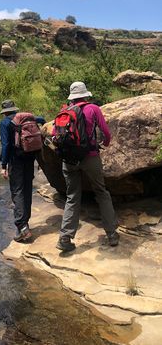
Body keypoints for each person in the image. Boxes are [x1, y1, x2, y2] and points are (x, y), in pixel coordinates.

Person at [56, 81, 119, 252]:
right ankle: (112, 234)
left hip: (69, 160)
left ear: (72, 97)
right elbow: (106, 132)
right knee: (101, 192)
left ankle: (65, 238)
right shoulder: (93, 109)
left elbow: (57, 135)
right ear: (85, 95)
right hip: (90, 157)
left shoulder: (64, 112)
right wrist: (104, 143)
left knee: (72, 196)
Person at [0, 99, 45, 242]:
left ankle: (22, 227)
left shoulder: (5, 123)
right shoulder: (28, 119)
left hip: (16, 161)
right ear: (15, 110)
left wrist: (3, 165)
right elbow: (42, 119)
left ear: (4, 112)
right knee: (27, 190)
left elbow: (6, 145)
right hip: (30, 158)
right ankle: (25, 224)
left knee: (17, 191)